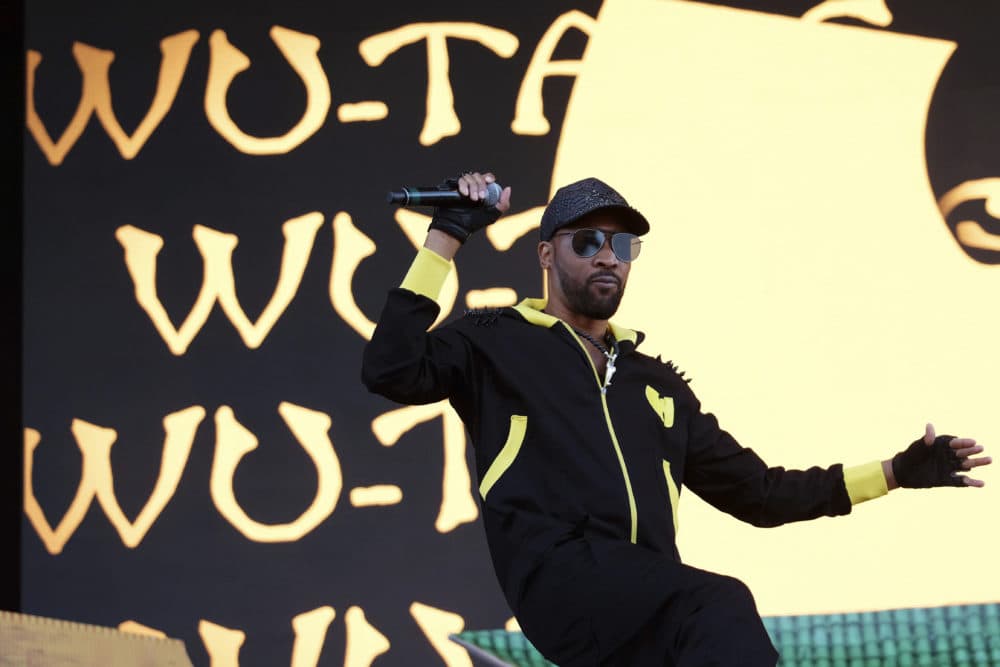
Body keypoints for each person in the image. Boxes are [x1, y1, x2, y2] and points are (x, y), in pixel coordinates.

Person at [361, 172, 991, 666]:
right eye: (589, 242)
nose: (609, 257)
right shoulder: (495, 339)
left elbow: (761, 494)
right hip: (561, 581)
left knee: (707, 630)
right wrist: (446, 237)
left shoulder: (654, 383)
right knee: (718, 603)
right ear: (547, 255)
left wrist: (896, 472)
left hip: (642, 612)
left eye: (624, 245)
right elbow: (391, 370)